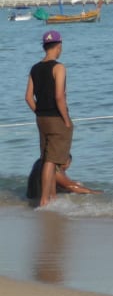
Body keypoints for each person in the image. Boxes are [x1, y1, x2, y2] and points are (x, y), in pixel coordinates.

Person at [24, 29, 72, 207]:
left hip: (41, 118)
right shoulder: (59, 67)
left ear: (45, 47)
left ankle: (51, 197)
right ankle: (45, 199)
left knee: (47, 158)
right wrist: (66, 120)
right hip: (56, 117)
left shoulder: (35, 68)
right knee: (53, 160)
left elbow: (28, 97)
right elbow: (59, 96)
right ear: (59, 46)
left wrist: (39, 111)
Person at [25, 155, 100, 200]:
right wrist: (93, 192)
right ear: (67, 162)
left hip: (31, 196)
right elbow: (71, 186)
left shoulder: (40, 161)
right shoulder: (53, 167)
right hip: (38, 199)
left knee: (74, 185)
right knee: (77, 186)